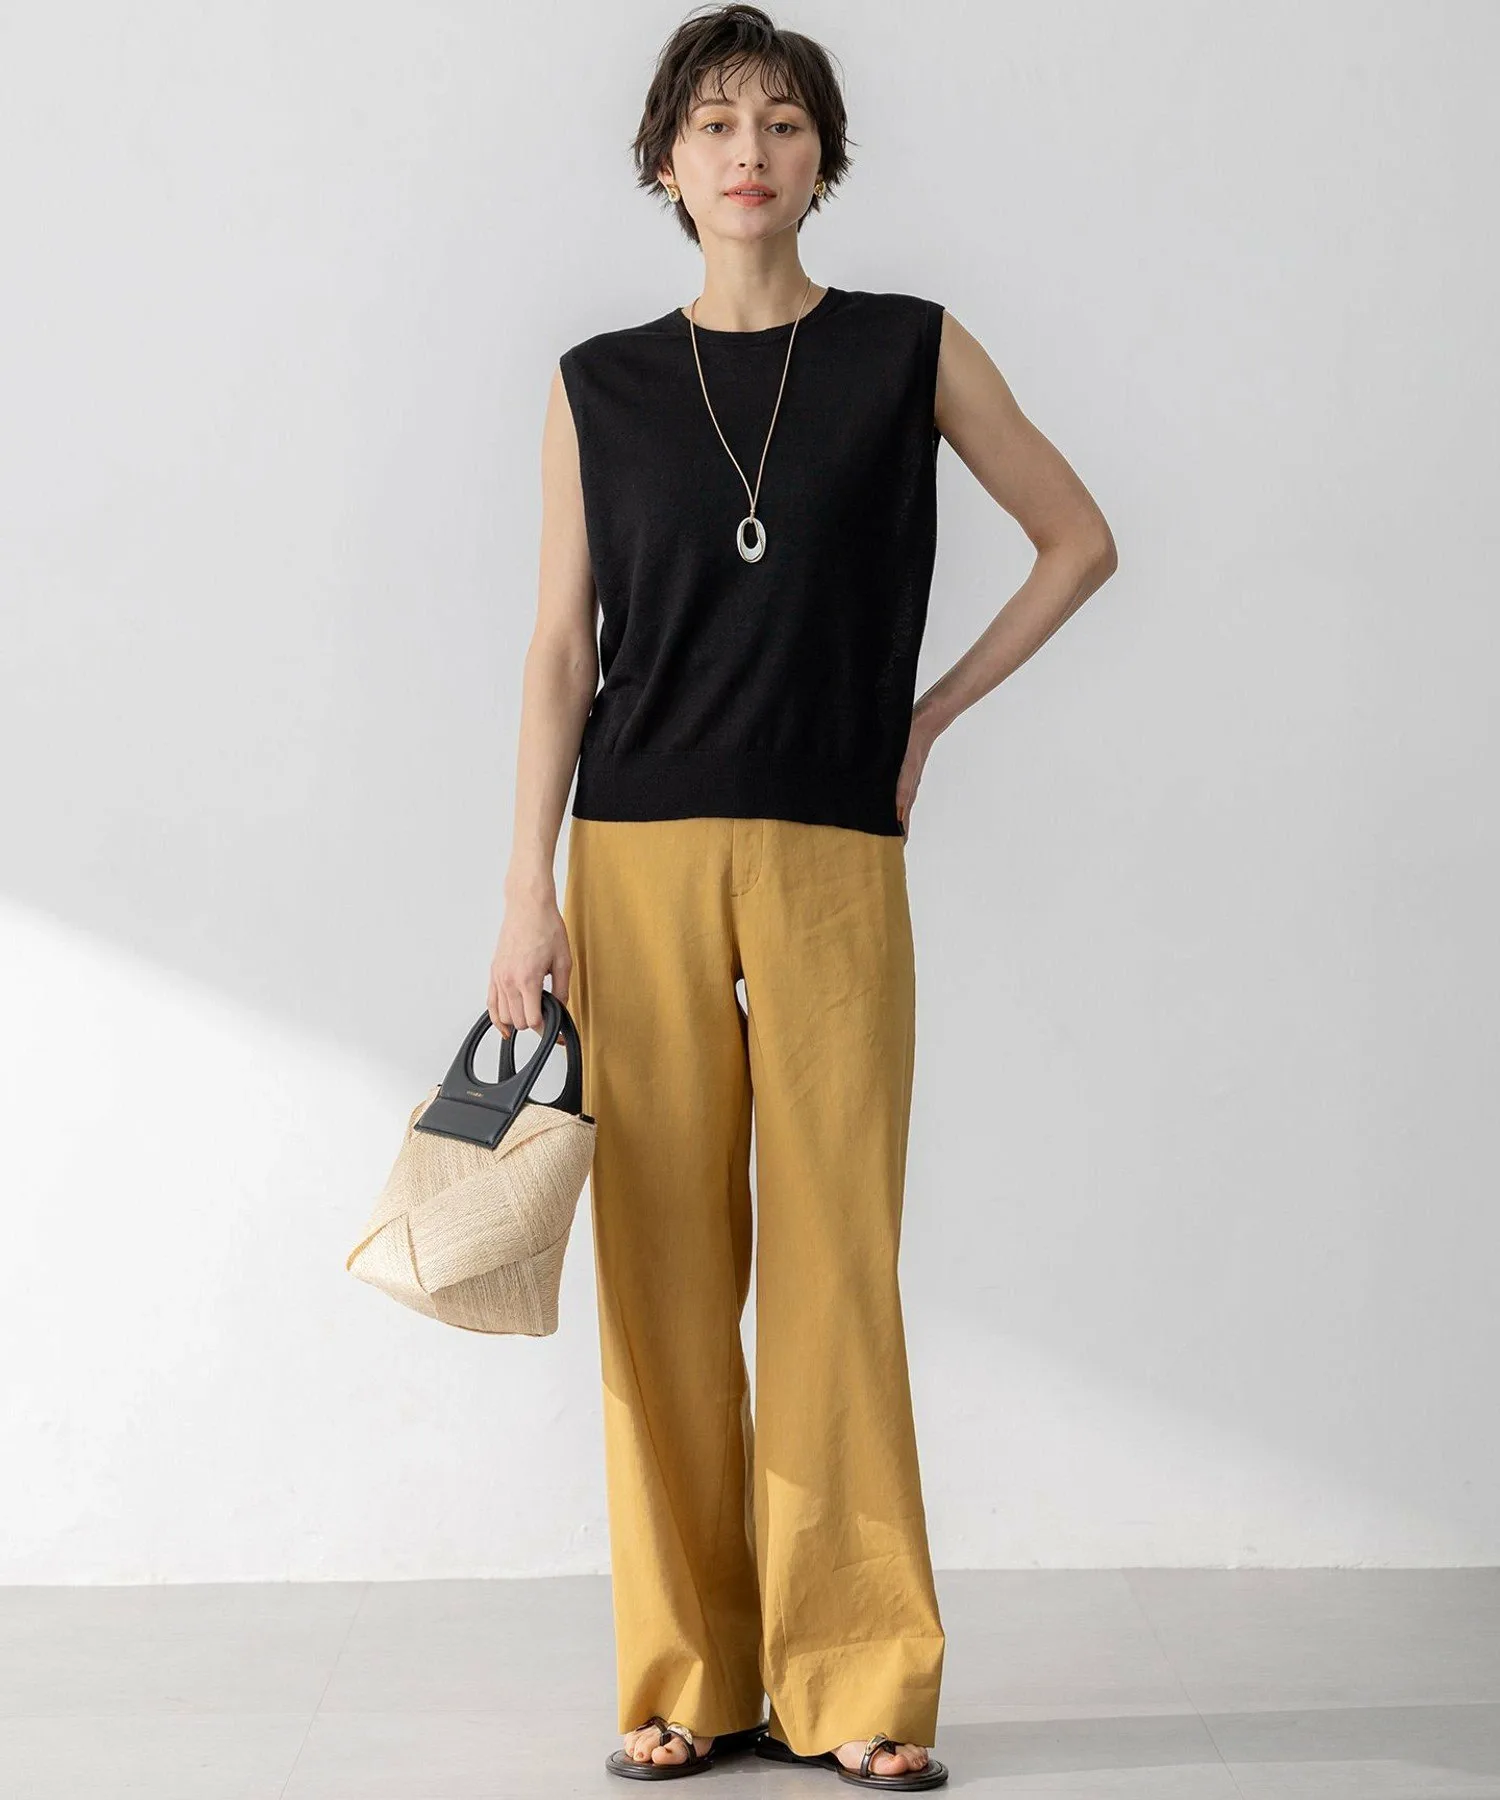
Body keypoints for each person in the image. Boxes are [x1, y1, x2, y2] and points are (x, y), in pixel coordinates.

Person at [487, 5, 1117, 1787]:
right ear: (665, 164)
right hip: (633, 851)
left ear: (822, 154)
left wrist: (931, 714)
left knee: (838, 1259)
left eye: (779, 120)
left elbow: (1079, 537)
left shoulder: (910, 350)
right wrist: (525, 891)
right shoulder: (599, 384)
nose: (747, 150)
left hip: (835, 849)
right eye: (713, 123)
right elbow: (559, 648)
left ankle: (857, 1682)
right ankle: (690, 1675)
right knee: (663, 1270)